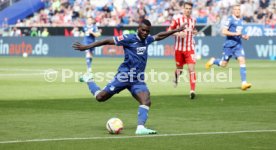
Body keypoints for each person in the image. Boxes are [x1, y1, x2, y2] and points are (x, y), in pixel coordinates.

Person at [73, 19, 186, 135]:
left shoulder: (147, 39)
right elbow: (107, 40)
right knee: (100, 97)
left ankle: (141, 127)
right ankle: (89, 79)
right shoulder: (128, 39)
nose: (145, 33)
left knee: (146, 100)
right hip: (124, 76)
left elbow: (159, 36)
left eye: (147, 31)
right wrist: (87, 46)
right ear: (138, 29)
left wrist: (176, 30)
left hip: (137, 79)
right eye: (143, 30)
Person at [205, 4, 252, 90]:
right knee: (223, 64)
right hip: (229, 45)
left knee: (242, 60)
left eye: (239, 9)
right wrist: (235, 34)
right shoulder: (230, 20)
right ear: (233, 11)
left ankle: (244, 83)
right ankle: (213, 61)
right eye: (236, 9)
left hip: (238, 44)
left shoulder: (241, 21)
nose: (237, 11)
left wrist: (244, 36)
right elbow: (224, 31)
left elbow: (239, 33)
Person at [168, 2, 198, 99]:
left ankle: (192, 91)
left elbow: (193, 30)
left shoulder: (193, 20)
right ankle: (176, 78)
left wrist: (194, 32)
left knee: (191, 69)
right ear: (183, 9)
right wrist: (178, 34)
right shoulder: (177, 19)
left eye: (190, 8)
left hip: (190, 49)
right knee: (179, 70)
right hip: (179, 49)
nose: (188, 10)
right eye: (186, 8)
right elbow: (169, 31)